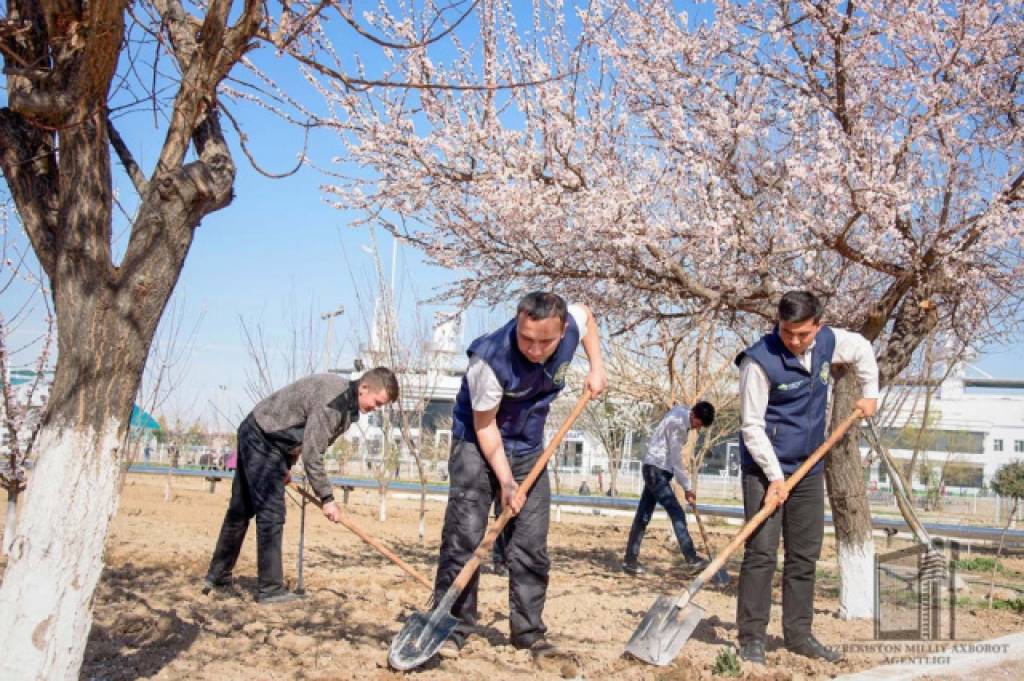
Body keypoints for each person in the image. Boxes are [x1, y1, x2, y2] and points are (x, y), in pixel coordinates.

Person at [433, 292, 607, 662]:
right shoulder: (489, 361)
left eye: (545, 341)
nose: (534, 348)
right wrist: (507, 482)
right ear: (518, 321)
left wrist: (597, 366)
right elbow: (485, 428)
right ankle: (451, 625)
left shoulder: (571, 325)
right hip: (477, 446)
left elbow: (588, 316)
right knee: (465, 538)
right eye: (526, 338)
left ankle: (528, 632)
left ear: (562, 332)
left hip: (530, 446)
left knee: (530, 543)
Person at [734, 291, 878, 665]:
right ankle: (751, 638)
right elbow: (751, 426)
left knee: (804, 555)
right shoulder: (758, 361)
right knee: (762, 553)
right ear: (777, 324)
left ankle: (798, 634)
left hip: (810, 466)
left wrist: (871, 394)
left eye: (803, 334)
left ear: (818, 325)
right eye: (787, 332)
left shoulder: (830, 342)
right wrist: (774, 478)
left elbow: (862, 348)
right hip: (765, 467)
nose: (795, 341)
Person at [203, 367, 399, 604]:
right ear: (364, 388)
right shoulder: (332, 400)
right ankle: (270, 589)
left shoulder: (347, 410)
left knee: (241, 509)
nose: (375, 408)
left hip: (267, 438)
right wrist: (327, 499)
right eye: (376, 402)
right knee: (271, 512)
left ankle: (218, 576)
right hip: (262, 437)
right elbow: (312, 453)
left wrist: (286, 464)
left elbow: (306, 439)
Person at [621, 401, 716, 576]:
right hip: (656, 472)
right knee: (677, 512)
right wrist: (687, 487)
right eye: (698, 424)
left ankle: (629, 561)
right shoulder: (679, 426)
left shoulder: (680, 412)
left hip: (654, 469)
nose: (698, 428)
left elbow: (677, 407)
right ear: (694, 415)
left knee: (643, 516)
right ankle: (691, 558)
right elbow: (676, 461)